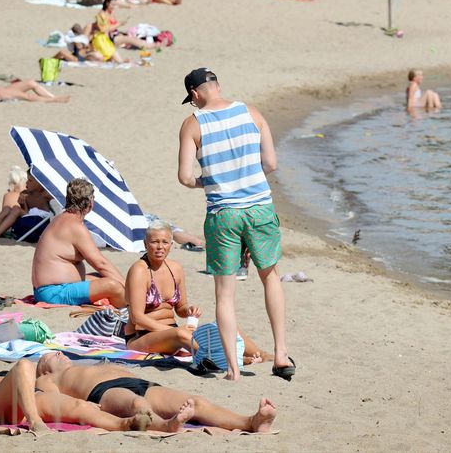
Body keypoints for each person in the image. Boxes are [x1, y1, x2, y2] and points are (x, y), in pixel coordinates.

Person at [177, 68, 295, 381]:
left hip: (223, 213)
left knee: (225, 293)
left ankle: (232, 369)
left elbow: (185, 176)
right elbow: (270, 163)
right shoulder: (252, 113)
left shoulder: (193, 124)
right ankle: (281, 353)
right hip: (259, 208)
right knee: (270, 276)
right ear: (217, 86)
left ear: (194, 94)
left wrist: (207, 182)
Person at [124, 222, 270, 363]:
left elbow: (180, 309)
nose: (160, 247)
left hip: (172, 332)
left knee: (222, 326)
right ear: (145, 244)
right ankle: (226, 358)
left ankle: (261, 354)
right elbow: (138, 318)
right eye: (154, 242)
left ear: (171, 245)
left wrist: (189, 310)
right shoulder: (139, 271)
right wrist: (173, 330)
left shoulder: (176, 269)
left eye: (165, 242)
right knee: (181, 334)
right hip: (141, 336)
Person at [36, 351, 277, 433]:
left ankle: (250, 421)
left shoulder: (83, 363)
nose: (59, 353)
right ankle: (165, 425)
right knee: (136, 406)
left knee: (197, 403)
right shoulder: (49, 378)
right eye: (51, 356)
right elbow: (48, 399)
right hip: (102, 392)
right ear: (43, 369)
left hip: (141, 382)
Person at [0, 359, 151, 433]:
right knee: (24, 365)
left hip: (29, 398)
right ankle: (36, 422)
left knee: (78, 407)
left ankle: (125, 424)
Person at [31, 178, 126, 307]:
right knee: (113, 286)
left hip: (44, 290)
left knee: (100, 277)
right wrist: (129, 289)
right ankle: (128, 308)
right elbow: (100, 263)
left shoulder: (61, 219)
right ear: (90, 202)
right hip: (54, 293)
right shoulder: (75, 226)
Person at [0, 172, 55, 241]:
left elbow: (55, 211)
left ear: (40, 183)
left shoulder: (45, 194)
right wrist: (22, 203)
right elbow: (26, 212)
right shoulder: (25, 194)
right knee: (7, 208)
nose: (26, 183)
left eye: (30, 181)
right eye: (27, 180)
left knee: (16, 208)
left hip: (41, 222)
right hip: (30, 219)